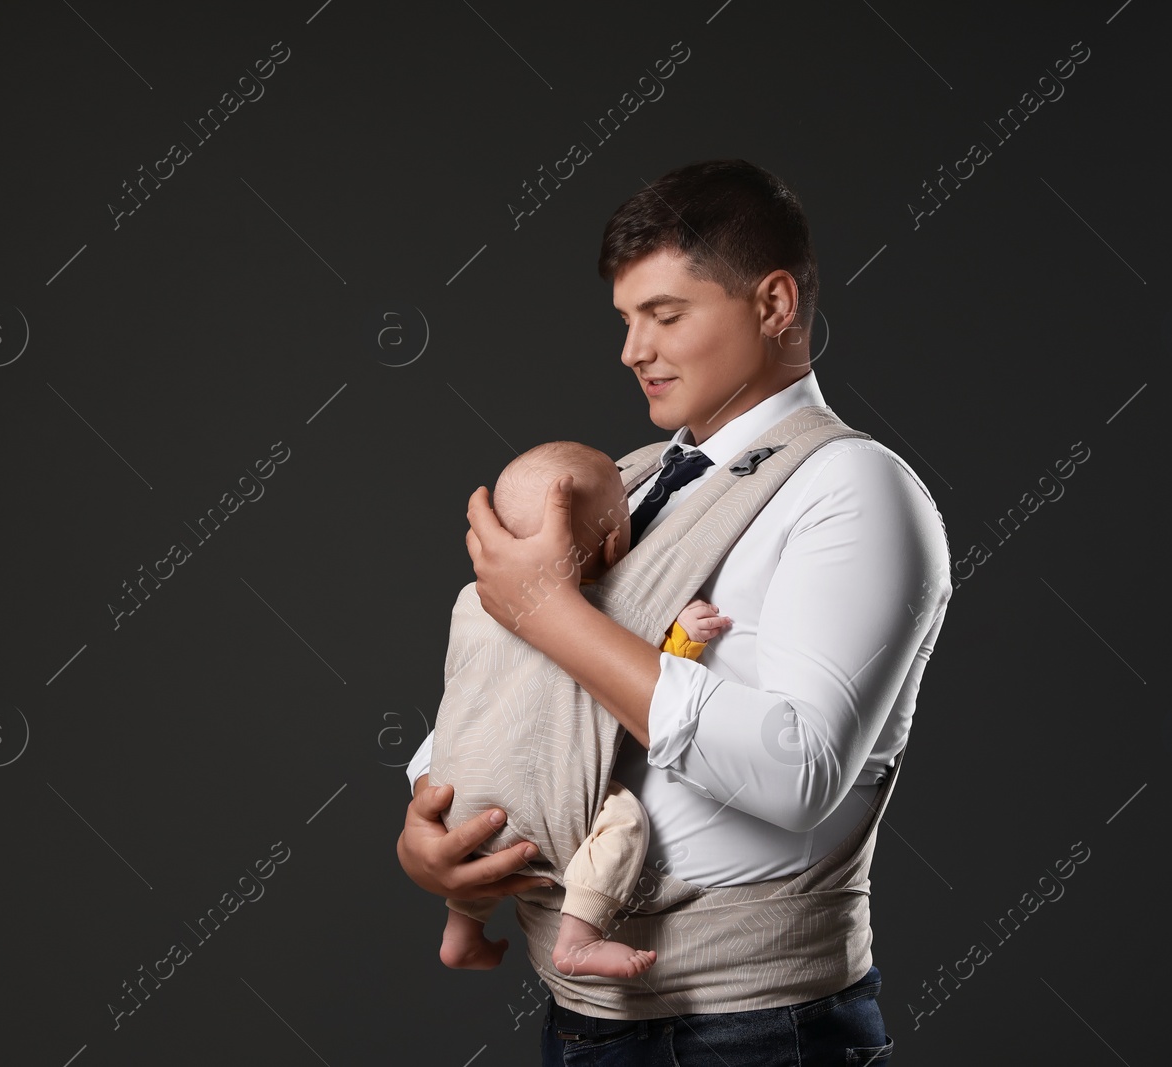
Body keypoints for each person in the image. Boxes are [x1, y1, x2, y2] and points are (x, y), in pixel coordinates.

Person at [397, 159, 952, 1063]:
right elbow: (523, 695)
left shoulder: (855, 489)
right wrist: (432, 839)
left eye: (665, 315)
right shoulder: (628, 484)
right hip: (588, 1022)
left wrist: (549, 612)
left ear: (774, 305)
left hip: (756, 1033)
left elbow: (800, 773)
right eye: (625, 321)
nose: (632, 350)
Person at [436, 439, 731, 979]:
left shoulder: (470, 602)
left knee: (480, 853)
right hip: (550, 807)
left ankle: (461, 932)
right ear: (617, 544)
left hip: (453, 798)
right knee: (623, 822)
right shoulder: (613, 610)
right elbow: (642, 676)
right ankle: (580, 937)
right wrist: (685, 637)